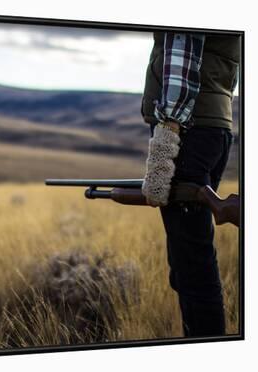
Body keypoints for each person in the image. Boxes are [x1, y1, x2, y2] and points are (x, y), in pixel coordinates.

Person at [140, 32, 240, 337]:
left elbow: (181, 50)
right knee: (189, 261)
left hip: (186, 129)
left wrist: (167, 135)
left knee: (193, 268)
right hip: (213, 126)